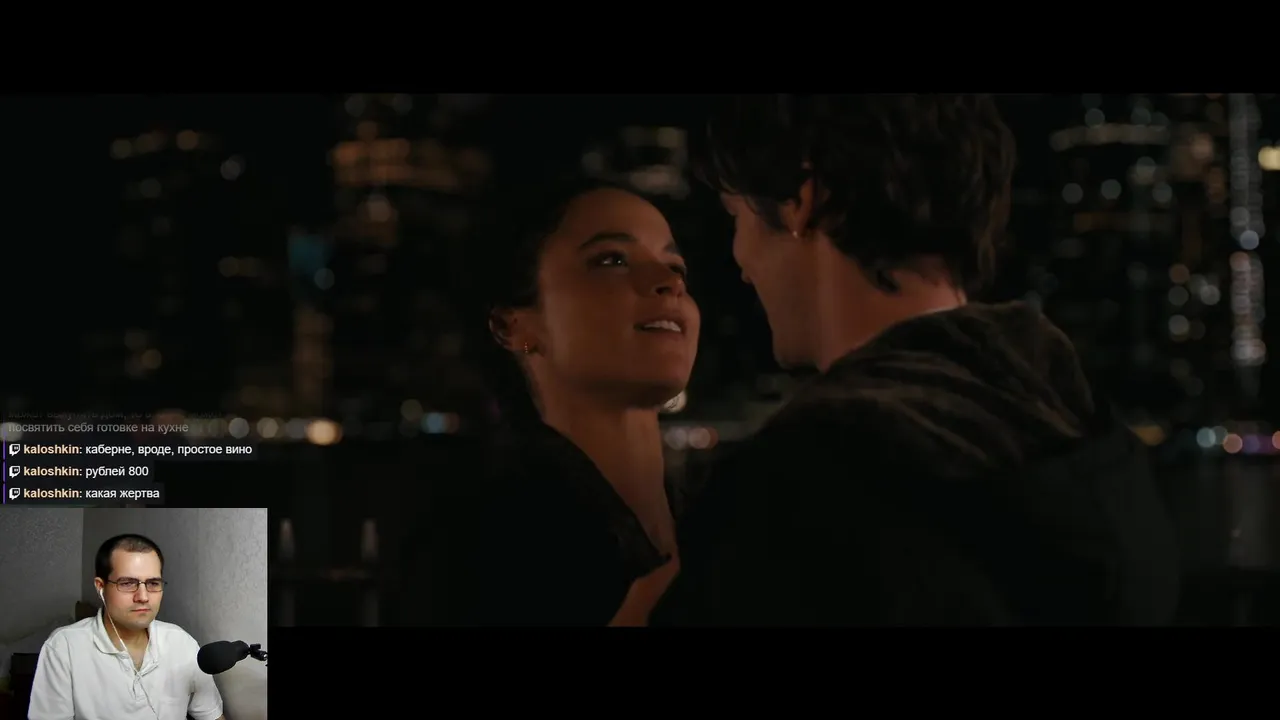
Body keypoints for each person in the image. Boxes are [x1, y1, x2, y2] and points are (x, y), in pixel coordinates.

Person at [650, 94, 1181, 625]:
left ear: (801, 202)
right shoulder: (1085, 437)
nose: (741, 262)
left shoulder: (799, 498)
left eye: (736, 217)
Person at [404, 179, 699, 626]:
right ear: (513, 326)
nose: (670, 282)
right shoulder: (482, 539)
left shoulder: (726, 518)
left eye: (675, 265)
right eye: (612, 260)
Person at [28, 534, 225, 719]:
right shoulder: (64, 647)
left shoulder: (181, 643)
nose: (143, 597)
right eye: (128, 583)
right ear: (100, 587)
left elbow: (211, 716)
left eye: (153, 583)